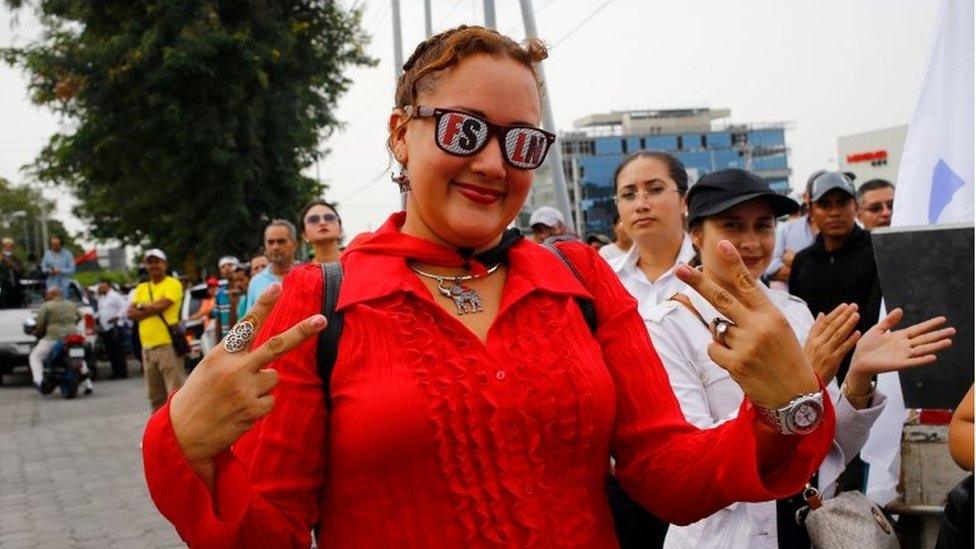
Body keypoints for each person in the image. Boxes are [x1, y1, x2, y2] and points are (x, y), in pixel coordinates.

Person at [143, 26, 837, 548]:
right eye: (465, 128)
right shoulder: (317, 298)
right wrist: (185, 446)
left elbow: (661, 470)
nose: (491, 162)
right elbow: (277, 530)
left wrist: (782, 411)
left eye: (521, 141)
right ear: (401, 135)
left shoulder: (579, 279)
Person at [648, 169, 954, 548]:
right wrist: (799, 383)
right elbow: (694, 463)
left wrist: (858, 378)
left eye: (763, 226)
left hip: (805, 525)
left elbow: (831, 449)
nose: (751, 242)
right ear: (696, 234)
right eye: (732, 226)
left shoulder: (793, 313)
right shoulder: (664, 327)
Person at [789, 171, 883, 384]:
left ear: (856, 207)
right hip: (819, 376)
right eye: (825, 205)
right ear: (811, 211)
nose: (834, 212)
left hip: (872, 371)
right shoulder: (803, 262)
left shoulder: (878, 252)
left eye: (842, 203)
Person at [608, 151, 696, 318]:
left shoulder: (715, 271)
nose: (641, 205)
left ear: (684, 200)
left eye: (655, 189)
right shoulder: (605, 278)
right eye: (628, 195)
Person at [127, 249, 185, 412]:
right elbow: (130, 313)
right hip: (147, 349)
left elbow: (164, 304)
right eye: (150, 262)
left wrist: (141, 306)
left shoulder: (173, 283)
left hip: (167, 346)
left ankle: (179, 434)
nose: (153, 266)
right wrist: (147, 307)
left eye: (157, 262)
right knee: (155, 397)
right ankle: (159, 434)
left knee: (175, 395)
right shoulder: (142, 287)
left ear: (165, 265)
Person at [28, 286, 95, 394]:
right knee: (79, 359)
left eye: (47, 294)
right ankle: (88, 385)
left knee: (35, 356)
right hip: (72, 335)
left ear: (51, 294)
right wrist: (72, 324)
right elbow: (80, 316)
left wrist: (39, 331)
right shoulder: (70, 304)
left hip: (53, 337)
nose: (46, 296)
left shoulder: (47, 306)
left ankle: (39, 381)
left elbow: (40, 324)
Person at [764, 171, 824, 290]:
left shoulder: (843, 232)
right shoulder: (786, 229)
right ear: (805, 197)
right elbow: (771, 268)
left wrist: (796, 261)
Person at [242, 221, 297, 312]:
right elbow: (251, 320)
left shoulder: (308, 277)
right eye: (270, 242)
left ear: (294, 245)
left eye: (281, 241)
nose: (275, 247)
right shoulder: (256, 282)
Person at [96, 279, 130, 379]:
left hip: (115, 327)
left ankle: (122, 372)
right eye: (100, 287)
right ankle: (115, 372)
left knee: (118, 351)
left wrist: (118, 316)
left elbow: (125, 306)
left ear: (109, 287)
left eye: (104, 287)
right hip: (106, 328)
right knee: (110, 351)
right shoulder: (102, 298)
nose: (102, 289)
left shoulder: (114, 296)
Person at [213, 256, 238, 340]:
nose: (227, 268)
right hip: (227, 339)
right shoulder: (219, 293)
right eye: (223, 266)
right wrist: (217, 343)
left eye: (230, 265)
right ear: (221, 272)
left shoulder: (245, 289)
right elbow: (218, 320)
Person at [0, 236, 24, 308]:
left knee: (16, 305)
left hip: (15, 287)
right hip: (4, 287)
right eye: (6, 246)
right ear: (3, 247)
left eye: (10, 246)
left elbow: (21, 271)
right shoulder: (0, 257)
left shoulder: (16, 258)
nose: (8, 248)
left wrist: (13, 265)